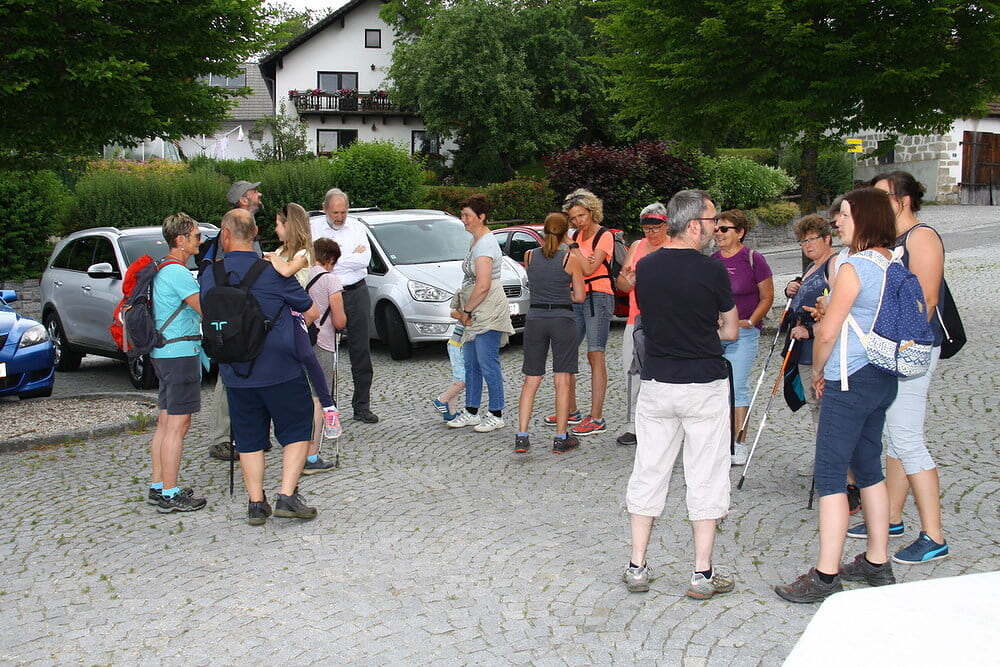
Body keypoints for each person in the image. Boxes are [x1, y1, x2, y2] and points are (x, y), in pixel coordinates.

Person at [774, 187, 899, 603]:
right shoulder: (892, 261)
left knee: (830, 475)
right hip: (882, 376)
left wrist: (821, 371)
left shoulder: (854, 267)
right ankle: (877, 561)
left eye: (843, 215)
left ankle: (825, 575)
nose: (837, 222)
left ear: (862, 218)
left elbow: (828, 330)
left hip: (850, 378)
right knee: (869, 469)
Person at [623, 190, 739, 598]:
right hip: (703, 383)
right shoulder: (712, 271)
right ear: (693, 225)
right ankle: (701, 573)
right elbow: (731, 330)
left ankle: (637, 565)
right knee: (705, 475)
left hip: (656, 383)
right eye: (712, 222)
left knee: (648, 470)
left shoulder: (647, 265)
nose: (716, 229)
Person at [845, 171, 949, 564]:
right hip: (890, 349)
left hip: (910, 350)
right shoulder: (892, 241)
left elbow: (926, 297)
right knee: (892, 433)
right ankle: (889, 517)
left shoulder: (921, 236)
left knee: (907, 437)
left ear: (902, 201)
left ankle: (933, 534)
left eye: (882, 197)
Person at [199, 209, 321, 525]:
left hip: (235, 370)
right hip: (280, 368)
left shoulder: (210, 274)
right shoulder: (273, 272)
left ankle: (256, 503)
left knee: (249, 437)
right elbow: (311, 310)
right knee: (296, 428)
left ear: (224, 235)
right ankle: (287, 495)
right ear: (255, 234)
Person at [265, 203, 341, 474]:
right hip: (280, 326)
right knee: (302, 394)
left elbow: (285, 272)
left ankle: (311, 452)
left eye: (278, 223)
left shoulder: (303, 253)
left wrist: (268, 258)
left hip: (297, 326)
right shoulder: (279, 252)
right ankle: (302, 451)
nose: (275, 229)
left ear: (290, 225)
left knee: (317, 395)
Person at [148, 213, 208, 513]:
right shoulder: (178, 273)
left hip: (163, 354)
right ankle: (170, 494)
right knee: (178, 425)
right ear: (181, 240)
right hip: (180, 354)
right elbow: (204, 310)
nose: (201, 240)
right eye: (197, 236)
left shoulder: (163, 268)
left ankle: (158, 485)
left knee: (165, 422)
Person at [514, 212, 585, 454]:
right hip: (562, 319)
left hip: (535, 318)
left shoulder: (529, 256)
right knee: (562, 380)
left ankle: (522, 435)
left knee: (530, 379)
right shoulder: (570, 259)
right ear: (566, 233)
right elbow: (580, 296)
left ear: (543, 231)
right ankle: (560, 436)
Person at [447, 195, 515, 433]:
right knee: (471, 362)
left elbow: (483, 284)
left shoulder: (486, 243)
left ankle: (496, 413)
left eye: (467, 215)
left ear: (481, 217)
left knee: (488, 363)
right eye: (462, 214)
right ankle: (472, 410)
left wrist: (467, 310)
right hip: (475, 306)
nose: (463, 219)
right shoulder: (476, 241)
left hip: (487, 308)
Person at [310, 188, 378, 423]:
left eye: (343, 212)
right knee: (325, 350)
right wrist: (347, 257)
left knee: (361, 350)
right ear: (325, 208)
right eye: (335, 212)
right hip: (325, 293)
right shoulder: (314, 228)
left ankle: (362, 406)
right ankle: (328, 407)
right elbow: (315, 263)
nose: (339, 217)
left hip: (355, 291)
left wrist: (334, 261)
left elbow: (363, 260)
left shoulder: (357, 227)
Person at [711, 209, 774, 465]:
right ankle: (718, 440)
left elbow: (767, 296)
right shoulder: (712, 261)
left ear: (740, 232)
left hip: (744, 334)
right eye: (716, 228)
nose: (717, 233)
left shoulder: (753, 259)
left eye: (724, 228)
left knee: (737, 386)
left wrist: (752, 321)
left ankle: (737, 442)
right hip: (715, 334)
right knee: (716, 388)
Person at [208, 180, 263, 461]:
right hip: (235, 318)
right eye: (254, 192)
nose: (259, 194)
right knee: (228, 377)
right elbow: (224, 273)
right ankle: (220, 438)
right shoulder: (230, 233)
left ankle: (245, 434)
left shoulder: (248, 227)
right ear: (243, 199)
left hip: (248, 316)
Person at [551, 189, 614, 436]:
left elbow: (589, 268)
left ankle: (596, 417)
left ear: (591, 211)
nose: (577, 221)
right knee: (566, 352)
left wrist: (574, 246)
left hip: (598, 296)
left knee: (594, 354)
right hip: (575, 296)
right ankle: (571, 409)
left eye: (581, 215)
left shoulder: (604, 236)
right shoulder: (574, 235)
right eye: (573, 217)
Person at [614, 203, 671, 446]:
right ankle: (634, 426)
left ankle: (666, 423)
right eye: (646, 228)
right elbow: (622, 285)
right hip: (636, 318)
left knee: (667, 372)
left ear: (666, 225)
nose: (651, 233)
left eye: (656, 228)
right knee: (633, 370)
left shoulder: (674, 246)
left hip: (668, 319)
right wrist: (628, 281)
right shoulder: (637, 246)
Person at [306, 238, 349, 468]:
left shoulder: (303, 276)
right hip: (323, 342)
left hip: (302, 342)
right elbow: (340, 321)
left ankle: (300, 449)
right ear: (331, 259)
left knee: (304, 397)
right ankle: (311, 455)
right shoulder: (331, 280)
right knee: (319, 398)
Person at [432, 323, 466, 422]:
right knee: (462, 380)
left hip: (457, 345)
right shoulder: (466, 310)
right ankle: (441, 400)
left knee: (458, 380)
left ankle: (451, 413)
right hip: (458, 346)